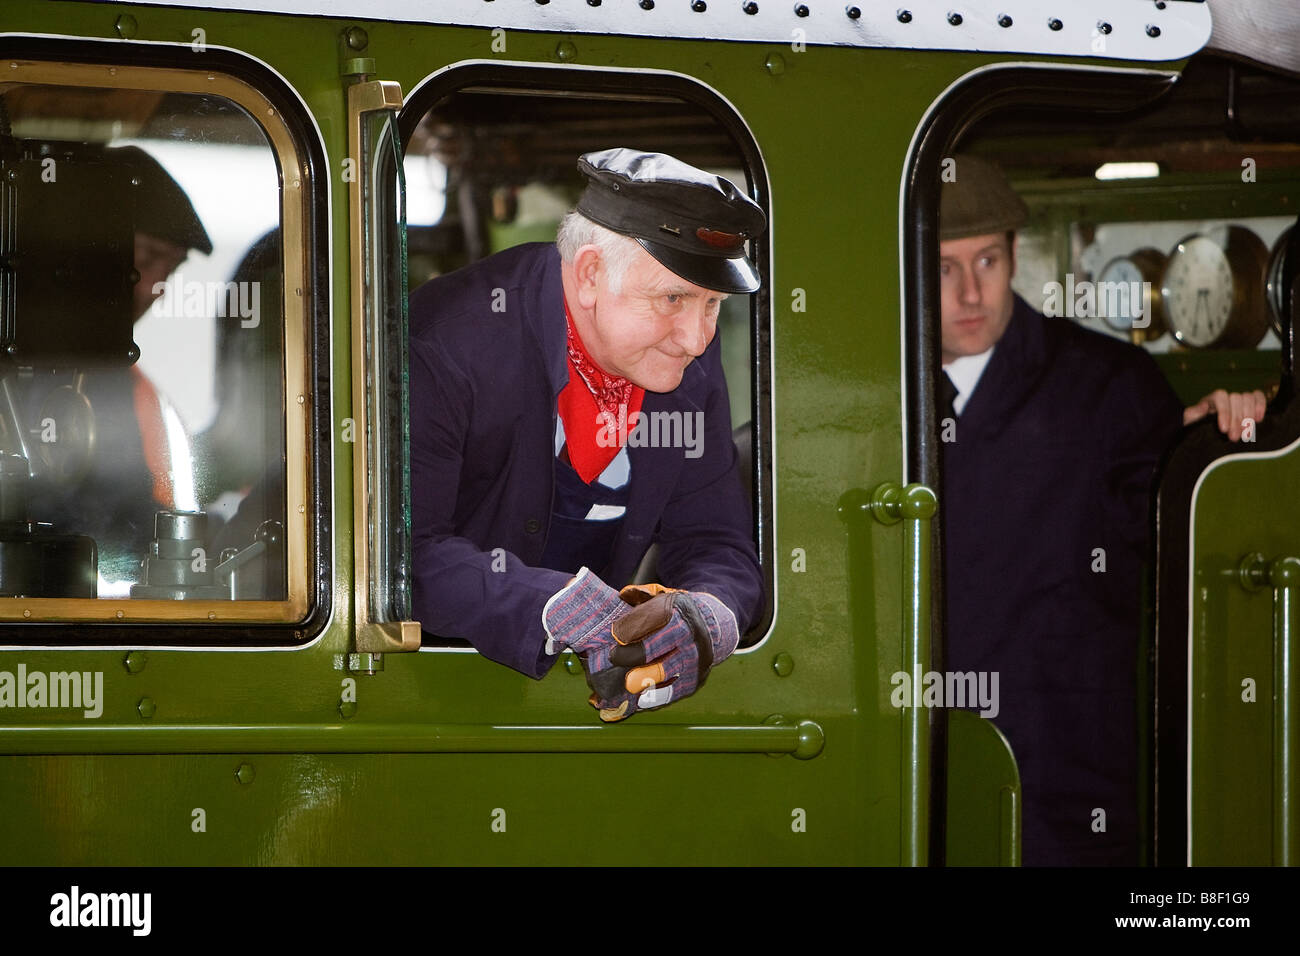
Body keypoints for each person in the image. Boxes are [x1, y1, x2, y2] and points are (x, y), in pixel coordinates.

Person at [938, 155, 1268, 866]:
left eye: (988, 260)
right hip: (921, 781)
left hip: (1067, 783)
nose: (971, 292)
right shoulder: (873, 399)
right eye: (944, 268)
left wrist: (1210, 445)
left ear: (1016, 255)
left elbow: (1174, 538)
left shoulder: (1108, 386)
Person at [408, 148, 764, 721]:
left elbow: (715, 540)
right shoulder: (449, 342)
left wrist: (709, 615)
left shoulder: (680, 360)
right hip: (434, 696)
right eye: (673, 299)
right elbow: (401, 554)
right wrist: (551, 606)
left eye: (714, 305)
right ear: (592, 273)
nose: (697, 339)